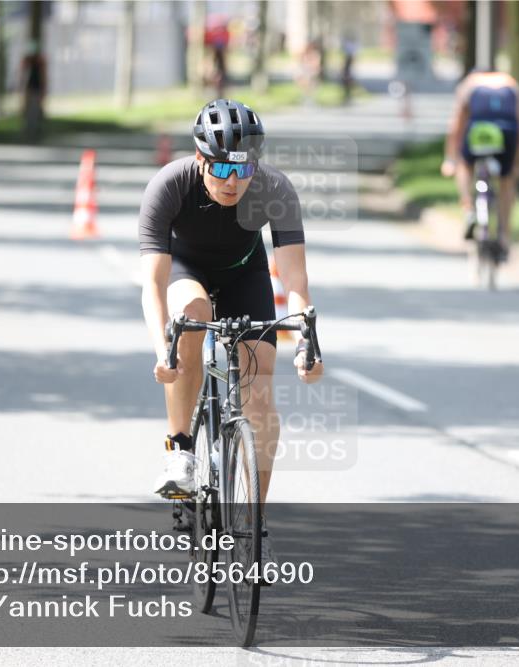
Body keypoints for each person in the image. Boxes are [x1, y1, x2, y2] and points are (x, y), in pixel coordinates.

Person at [138, 99, 324, 560]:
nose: (232, 182)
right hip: (186, 269)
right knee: (192, 315)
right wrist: (163, 350)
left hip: (245, 272)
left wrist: (308, 343)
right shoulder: (169, 186)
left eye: (242, 170)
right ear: (200, 158)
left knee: (260, 386)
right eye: (220, 169)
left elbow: (295, 281)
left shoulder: (274, 188)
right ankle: (180, 447)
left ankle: (255, 518)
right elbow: (154, 285)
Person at [440, 70, 519, 259]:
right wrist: (517, 163)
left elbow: (455, 126)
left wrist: (450, 159)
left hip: (478, 128)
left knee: (465, 164)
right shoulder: (512, 84)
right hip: (507, 130)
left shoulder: (470, 84)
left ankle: (468, 207)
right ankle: (504, 236)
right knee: (506, 182)